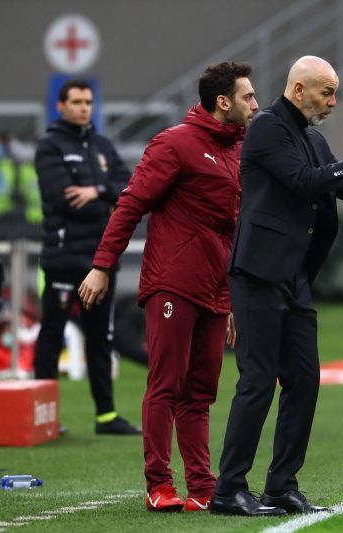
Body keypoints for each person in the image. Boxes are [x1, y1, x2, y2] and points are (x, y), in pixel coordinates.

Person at [210, 55, 343, 517]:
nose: (332, 101)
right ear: (298, 90)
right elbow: (303, 183)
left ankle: (280, 486)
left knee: (305, 381)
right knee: (257, 382)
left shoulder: (312, 137)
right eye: (326, 92)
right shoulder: (267, 127)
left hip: (294, 278)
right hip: (259, 274)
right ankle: (229, 489)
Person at [77, 62, 258, 513]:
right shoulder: (174, 143)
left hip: (216, 290)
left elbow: (232, 232)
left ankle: (202, 486)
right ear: (223, 102)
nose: (256, 104)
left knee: (201, 393)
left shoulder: (237, 151)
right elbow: (131, 204)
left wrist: (232, 298)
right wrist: (102, 266)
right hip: (173, 285)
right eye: (248, 96)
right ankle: (158, 483)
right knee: (166, 385)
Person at [33, 78, 139, 436]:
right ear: (61, 106)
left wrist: (97, 190)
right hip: (63, 258)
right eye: (76, 101)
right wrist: (107, 202)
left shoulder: (102, 145)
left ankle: (106, 416)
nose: (83, 108)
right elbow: (62, 198)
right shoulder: (49, 147)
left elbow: (130, 189)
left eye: (88, 101)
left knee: (100, 338)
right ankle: (43, 417)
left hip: (100, 260)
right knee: (52, 336)